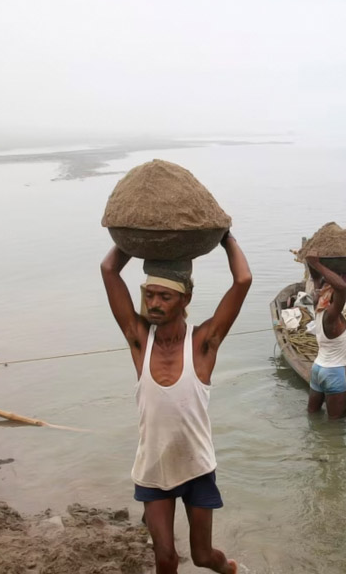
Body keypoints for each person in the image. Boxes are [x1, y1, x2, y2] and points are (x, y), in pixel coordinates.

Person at [100, 231, 251, 574]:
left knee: (202, 556)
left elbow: (242, 280)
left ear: (185, 299)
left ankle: (229, 568)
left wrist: (225, 238)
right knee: (165, 558)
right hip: (153, 468)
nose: (153, 303)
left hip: (196, 466)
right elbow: (109, 270)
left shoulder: (203, 343)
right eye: (149, 295)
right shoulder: (139, 340)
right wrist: (132, 237)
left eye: (164, 297)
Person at [305, 255, 346, 419]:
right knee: (335, 425)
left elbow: (316, 278)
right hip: (333, 372)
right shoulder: (331, 316)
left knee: (312, 414)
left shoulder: (318, 306)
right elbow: (342, 288)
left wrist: (311, 263)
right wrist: (317, 263)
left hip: (318, 369)